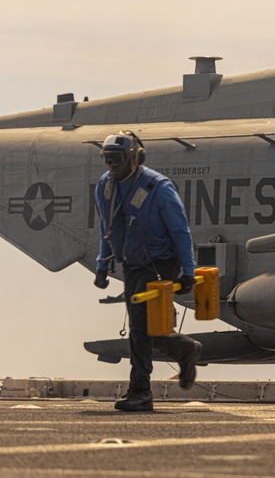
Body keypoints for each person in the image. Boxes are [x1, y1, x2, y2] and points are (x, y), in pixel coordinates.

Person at [93, 130, 203, 412]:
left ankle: (140, 391)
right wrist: (102, 265)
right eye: (107, 159)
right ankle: (183, 349)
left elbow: (180, 231)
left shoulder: (158, 188)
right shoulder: (106, 186)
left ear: (134, 157)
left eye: (116, 158)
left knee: (139, 329)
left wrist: (188, 271)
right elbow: (108, 228)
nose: (111, 165)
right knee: (146, 328)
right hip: (132, 265)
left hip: (161, 263)